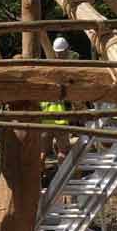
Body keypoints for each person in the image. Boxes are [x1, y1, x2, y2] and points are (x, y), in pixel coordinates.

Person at [40, 36, 72, 168]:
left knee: (42, 153)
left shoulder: (47, 69)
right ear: (66, 50)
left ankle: (36, 181)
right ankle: (62, 177)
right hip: (60, 119)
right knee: (63, 152)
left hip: (45, 118)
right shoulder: (68, 67)